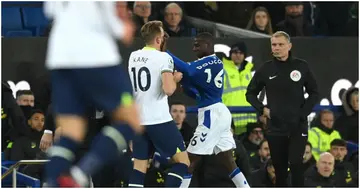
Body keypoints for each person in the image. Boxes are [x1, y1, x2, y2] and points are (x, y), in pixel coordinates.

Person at [43, 2, 143, 187]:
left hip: (60, 55)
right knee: (131, 121)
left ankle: (52, 183)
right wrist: (121, 28)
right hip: (95, 55)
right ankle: (81, 173)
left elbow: (50, 10)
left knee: (70, 133)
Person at [167, 32, 250, 188]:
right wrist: (182, 84)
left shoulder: (211, 61)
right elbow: (195, 92)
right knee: (228, 160)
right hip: (218, 112)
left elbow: (188, 69)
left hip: (212, 115)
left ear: (208, 45)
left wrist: (165, 52)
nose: (194, 47)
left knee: (189, 160)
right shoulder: (207, 64)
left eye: (198, 44)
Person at [246, 31, 319, 187]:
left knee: (295, 164)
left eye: (280, 44)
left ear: (289, 46)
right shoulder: (266, 69)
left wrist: (303, 113)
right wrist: (262, 109)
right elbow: (250, 93)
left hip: (297, 126)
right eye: (274, 45)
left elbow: (314, 92)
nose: (277, 48)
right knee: (279, 169)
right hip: (276, 126)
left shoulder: (301, 66)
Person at [127, 20, 190, 188]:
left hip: (139, 121)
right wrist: (175, 78)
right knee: (182, 162)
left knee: (139, 167)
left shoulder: (133, 57)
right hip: (158, 120)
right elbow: (169, 89)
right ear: (159, 39)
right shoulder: (164, 58)